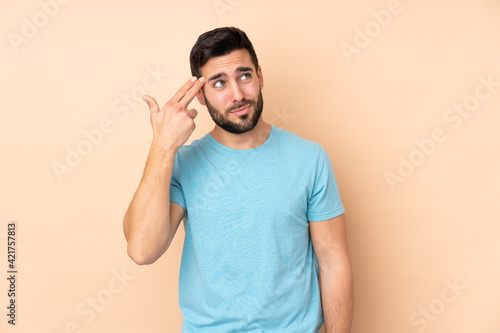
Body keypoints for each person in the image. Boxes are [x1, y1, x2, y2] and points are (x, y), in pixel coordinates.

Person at [123, 26, 353, 333]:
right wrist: (163, 145)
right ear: (201, 96)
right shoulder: (182, 162)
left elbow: (332, 261)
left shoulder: (309, 159)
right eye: (219, 83)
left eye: (244, 76)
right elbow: (141, 250)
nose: (237, 95)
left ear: (260, 76)